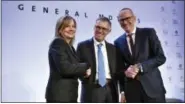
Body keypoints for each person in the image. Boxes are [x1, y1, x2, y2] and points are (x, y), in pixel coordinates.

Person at [114, 8, 166, 103]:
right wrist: (122, 92)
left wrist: (140, 66)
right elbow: (120, 69)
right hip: (131, 92)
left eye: (127, 18)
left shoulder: (148, 33)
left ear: (134, 18)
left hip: (153, 89)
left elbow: (161, 57)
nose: (125, 22)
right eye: (121, 20)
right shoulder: (118, 42)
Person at [45, 15, 91, 103]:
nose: (71, 29)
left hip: (69, 96)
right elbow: (65, 69)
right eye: (67, 26)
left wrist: (84, 73)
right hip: (60, 96)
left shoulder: (70, 47)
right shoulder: (58, 43)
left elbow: (74, 68)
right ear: (59, 30)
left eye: (73, 26)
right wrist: (86, 66)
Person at [77, 17, 118, 103]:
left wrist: (122, 91)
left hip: (111, 89)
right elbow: (76, 67)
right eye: (98, 27)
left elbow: (118, 70)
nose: (100, 30)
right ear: (94, 27)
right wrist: (84, 75)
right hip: (92, 89)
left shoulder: (113, 48)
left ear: (109, 31)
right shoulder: (82, 46)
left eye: (104, 29)